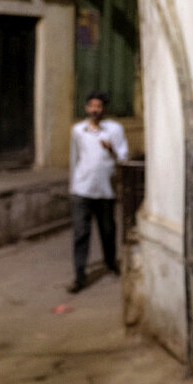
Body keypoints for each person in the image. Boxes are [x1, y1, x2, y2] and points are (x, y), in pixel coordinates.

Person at [69, 91, 127, 292]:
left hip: (105, 190)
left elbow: (122, 157)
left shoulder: (114, 130)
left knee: (108, 230)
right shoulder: (78, 130)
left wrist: (111, 149)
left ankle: (110, 264)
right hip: (82, 189)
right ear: (86, 108)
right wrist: (72, 186)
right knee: (80, 233)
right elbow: (74, 159)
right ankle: (79, 276)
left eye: (99, 106)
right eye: (92, 106)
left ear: (104, 109)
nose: (95, 110)